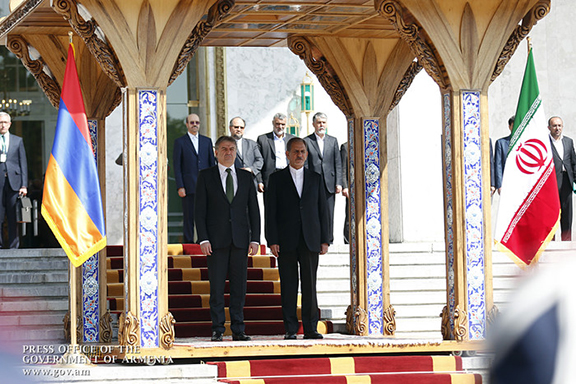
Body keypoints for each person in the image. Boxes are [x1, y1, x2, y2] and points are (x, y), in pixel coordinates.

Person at [195, 136, 260, 342]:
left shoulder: (247, 177)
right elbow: (200, 211)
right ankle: (217, 328)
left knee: (239, 287)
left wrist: (255, 238)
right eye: (224, 149)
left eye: (232, 149)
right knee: (216, 286)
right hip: (216, 241)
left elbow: (254, 211)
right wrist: (203, 239)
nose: (228, 152)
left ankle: (239, 329)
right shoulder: (205, 176)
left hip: (240, 240)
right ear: (216, 152)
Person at [265, 137, 331, 340]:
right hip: (286, 239)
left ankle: (311, 327)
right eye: (295, 152)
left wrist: (325, 239)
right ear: (287, 154)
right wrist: (272, 239)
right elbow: (271, 212)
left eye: (302, 152)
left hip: (311, 238)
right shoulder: (276, 179)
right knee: (289, 284)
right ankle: (291, 328)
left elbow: (323, 209)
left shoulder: (316, 177)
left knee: (310, 284)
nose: (299, 155)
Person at [173, 113, 215, 243]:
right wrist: (180, 186)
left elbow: (211, 164)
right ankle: (189, 242)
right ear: (187, 124)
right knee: (189, 217)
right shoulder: (180, 142)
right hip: (188, 186)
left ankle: (204, 240)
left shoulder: (207, 141)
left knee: (206, 215)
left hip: (205, 185)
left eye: (197, 122)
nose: (195, 125)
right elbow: (177, 166)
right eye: (192, 122)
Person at [304, 112, 342, 242]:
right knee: (314, 211)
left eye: (323, 122)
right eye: (319, 122)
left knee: (329, 212)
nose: (321, 125)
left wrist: (339, 183)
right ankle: (315, 237)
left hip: (329, 183)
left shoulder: (333, 141)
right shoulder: (307, 141)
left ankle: (328, 238)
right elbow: (306, 164)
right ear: (313, 124)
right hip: (313, 183)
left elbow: (338, 162)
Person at [0, 112, 28, 249]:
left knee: (13, 216)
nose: (2, 125)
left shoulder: (17, 141)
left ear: (10, 124)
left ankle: (13, 246)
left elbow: (23, 164)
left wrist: (24, 185)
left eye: (5, 122)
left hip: (14, 183)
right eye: (0, 122)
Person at [548, 116, 576, 241]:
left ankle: (566, 242)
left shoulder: (568, 141)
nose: (557, 128)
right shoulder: (545, 142)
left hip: (566, 182)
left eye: (559, 125)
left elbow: (573, 162)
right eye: (554, 126)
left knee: (567, 214)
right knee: (551, 214)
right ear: (549, 128)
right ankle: (551, 241)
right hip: (551, 184)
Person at [256, 113, 295, 192]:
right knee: (271, 203)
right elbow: (258, 161)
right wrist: (259, 181)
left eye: (283, 124)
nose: (280, 127)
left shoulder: (292, 139)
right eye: (277, 124)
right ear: (273, 123)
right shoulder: (263, 139)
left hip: (289, 176)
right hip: (270, 178)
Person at [229, 116, 263, 188]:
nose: (239, 129)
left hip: (250, 182)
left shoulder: (252, 144)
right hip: (232, 182)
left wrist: (251, 169)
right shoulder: (224, 144)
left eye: (241, 127)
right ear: (230, 128)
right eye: (236, 127)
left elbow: (259, 160)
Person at [494, 115, 515, 194]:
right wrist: (499, 185)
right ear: (509, 127)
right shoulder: (501, 143)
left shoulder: (527, 143)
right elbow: (498, 165)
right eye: (513, 125)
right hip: (507, 183)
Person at [340, 142, 349, 244]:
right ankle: (348, 240)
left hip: (366, 188)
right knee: (350, 215)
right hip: (351, 187)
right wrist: (345, 186)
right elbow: (343, 168)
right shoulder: (346, 147)